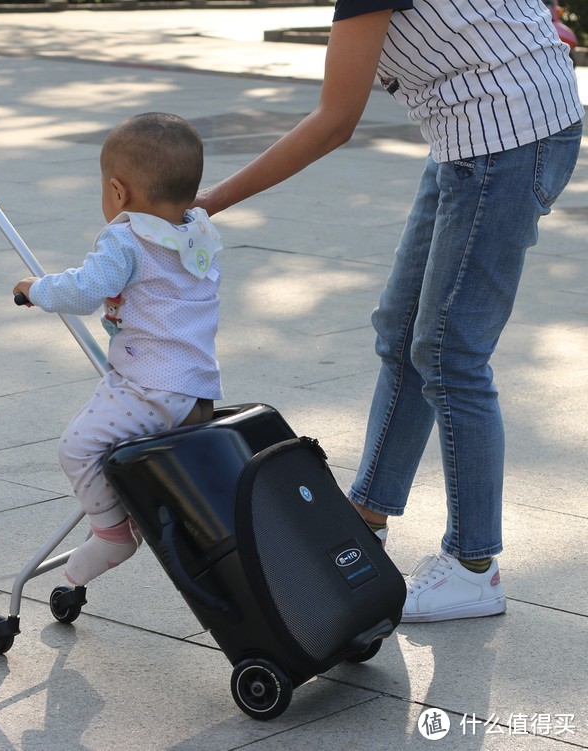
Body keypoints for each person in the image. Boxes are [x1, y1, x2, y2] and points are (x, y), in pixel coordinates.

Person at [195, 0, 582, 622]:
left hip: (505, 139)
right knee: (401, 332)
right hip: (480, 130)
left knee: (450, 352)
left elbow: (334, 120)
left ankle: (474, 566)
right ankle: (367, 514)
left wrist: (210, 201)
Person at [14, 113, 224, 587]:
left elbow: (86, 291)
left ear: (118, 191)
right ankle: (114, 528)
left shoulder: (125, 238)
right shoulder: (199, 233)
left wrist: (36, 288)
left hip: (147, 387)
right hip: (196, 392)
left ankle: (112, 533)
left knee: (77, 448)